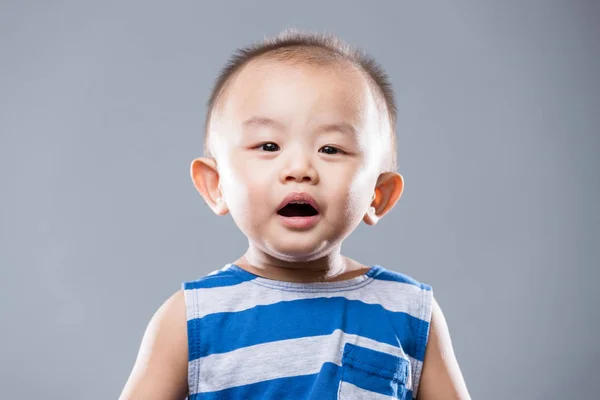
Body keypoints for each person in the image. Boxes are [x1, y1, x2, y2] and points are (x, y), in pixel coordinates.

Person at [119, 29, 470, 400]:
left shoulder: (410, 312)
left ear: (377, 195)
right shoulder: (191, 319)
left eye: (331, 148)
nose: (300, 167)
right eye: (269, 145)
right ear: (216, 185)